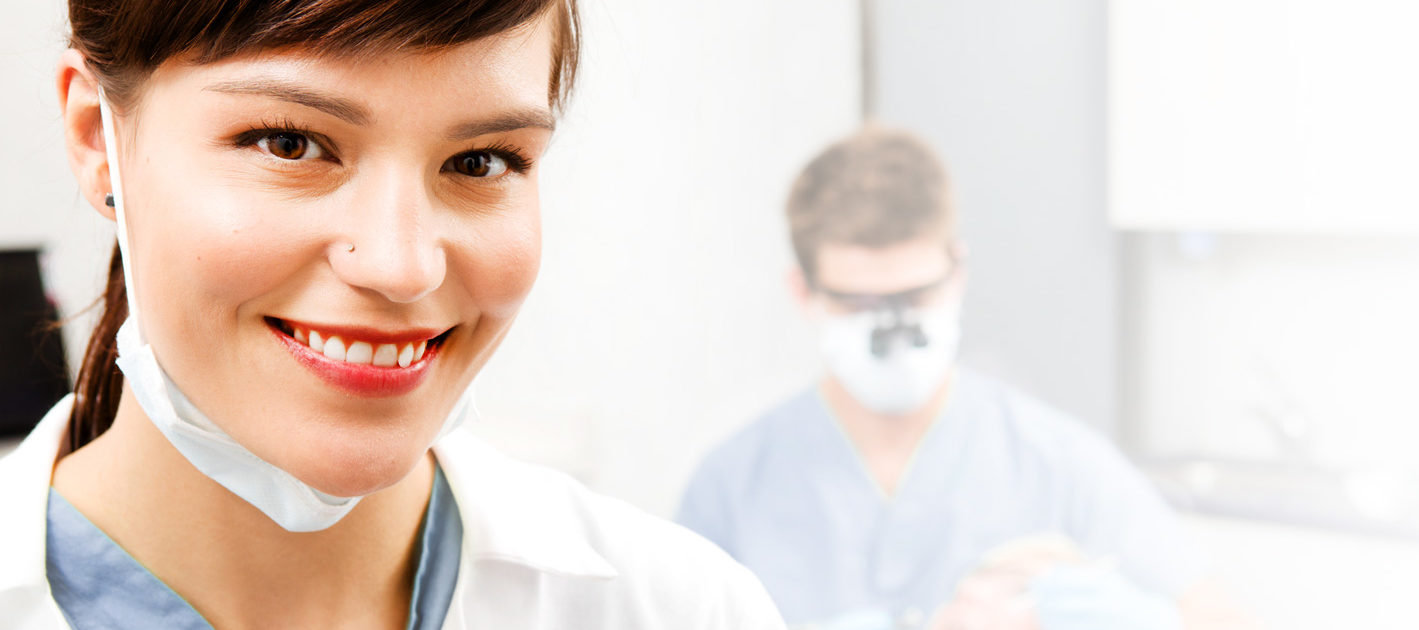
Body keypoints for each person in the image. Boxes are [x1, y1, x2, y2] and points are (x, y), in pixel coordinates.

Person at [0, 1, 784, 628]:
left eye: (480, 161)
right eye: (290, 143)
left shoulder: (688, 609)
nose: (403, 268)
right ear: (96, 137)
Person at [677, 127, 1224, 630]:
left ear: (957, 273)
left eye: (915, 297)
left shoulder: (1058, 463)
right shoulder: (732, 487)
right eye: (861, 304)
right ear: (804, 293)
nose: (894, 328)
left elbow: (1221, 618)